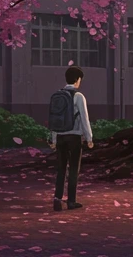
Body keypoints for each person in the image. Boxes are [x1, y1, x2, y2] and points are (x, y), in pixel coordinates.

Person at [48, 66, 94, 210]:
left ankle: (57, 199)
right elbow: (84, 119)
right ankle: (71, 201)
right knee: (73, 169)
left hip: (60, 137)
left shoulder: (57, 95)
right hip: (74, 137)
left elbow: (55, 119)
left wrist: (54, 140)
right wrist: (89, 138)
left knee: (61, 169)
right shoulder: (78, 96)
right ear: (78, 79)